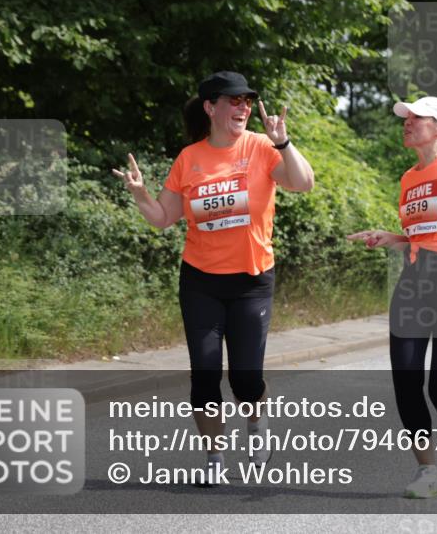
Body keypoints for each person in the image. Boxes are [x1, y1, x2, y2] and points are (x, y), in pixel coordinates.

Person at [113, 71, 314, 484]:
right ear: (211, 107)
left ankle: (256, 427)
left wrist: (284, 142)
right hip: (201, 280)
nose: (242, 108)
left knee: (245, 380)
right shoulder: (190, 158)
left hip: (251, 281)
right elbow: (163, 219)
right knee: (204, 375)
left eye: (246, 102)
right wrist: (139, 193)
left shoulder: (261, 147)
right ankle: (214, 461)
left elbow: (303, 183)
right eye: (233, 101)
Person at [347, 96, 437, 499]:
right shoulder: (409, 178)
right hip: (415, 281)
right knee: (406, 384)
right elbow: (422, 236)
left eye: (417, 118)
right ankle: (427, 471)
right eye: (406, 119)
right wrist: (390, 237)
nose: (407, 123)